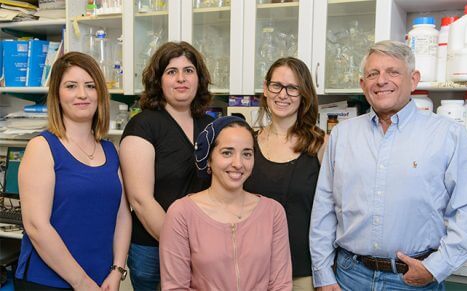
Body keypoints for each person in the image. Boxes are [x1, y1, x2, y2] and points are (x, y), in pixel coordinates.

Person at [309, 40, 467, 290]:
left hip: (413, 280)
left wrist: (435, 268)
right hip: (348, 276)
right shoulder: (342, 135)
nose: (382, 80)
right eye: (373, 74)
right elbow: (324, 208)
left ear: (413, 80)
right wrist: (323, 274)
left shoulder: (448, 135)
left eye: (393, 72)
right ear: (363, 84)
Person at [14, 52, 132, 290]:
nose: (82, 94)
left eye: (90, 86)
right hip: (47, 281)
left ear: (100, 94)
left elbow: (122, 215)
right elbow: (36, 226)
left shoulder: (110, 150)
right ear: (57, 95)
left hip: (102, 280)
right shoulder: (42, 147)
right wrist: (81, 282)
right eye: (71, 86)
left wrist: (117, 270)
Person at [119, 41, 214, 290]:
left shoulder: (211, 126)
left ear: (199, 78)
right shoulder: (143, 125)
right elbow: (140, 200)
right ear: (159, 81)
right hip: (152, 248)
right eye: (171, 72)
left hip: (204, 246)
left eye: (189, 71)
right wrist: (184, 247)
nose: (181, 79)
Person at [159, 116, 292, 290]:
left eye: (246, 154)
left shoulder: (273, 212)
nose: (238, 163)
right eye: (227, 152)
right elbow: (175, 287)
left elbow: (281, 284)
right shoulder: (181, 213)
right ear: (208, 158)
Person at [244, 57, 325, 291]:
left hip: (302, 272)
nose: (283, 94)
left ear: (304, 94)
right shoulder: (247, 143)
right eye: (276, 85)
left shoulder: (321, 146)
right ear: (266, 89)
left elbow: (333, 212)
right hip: (251, 268)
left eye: (292, 88)